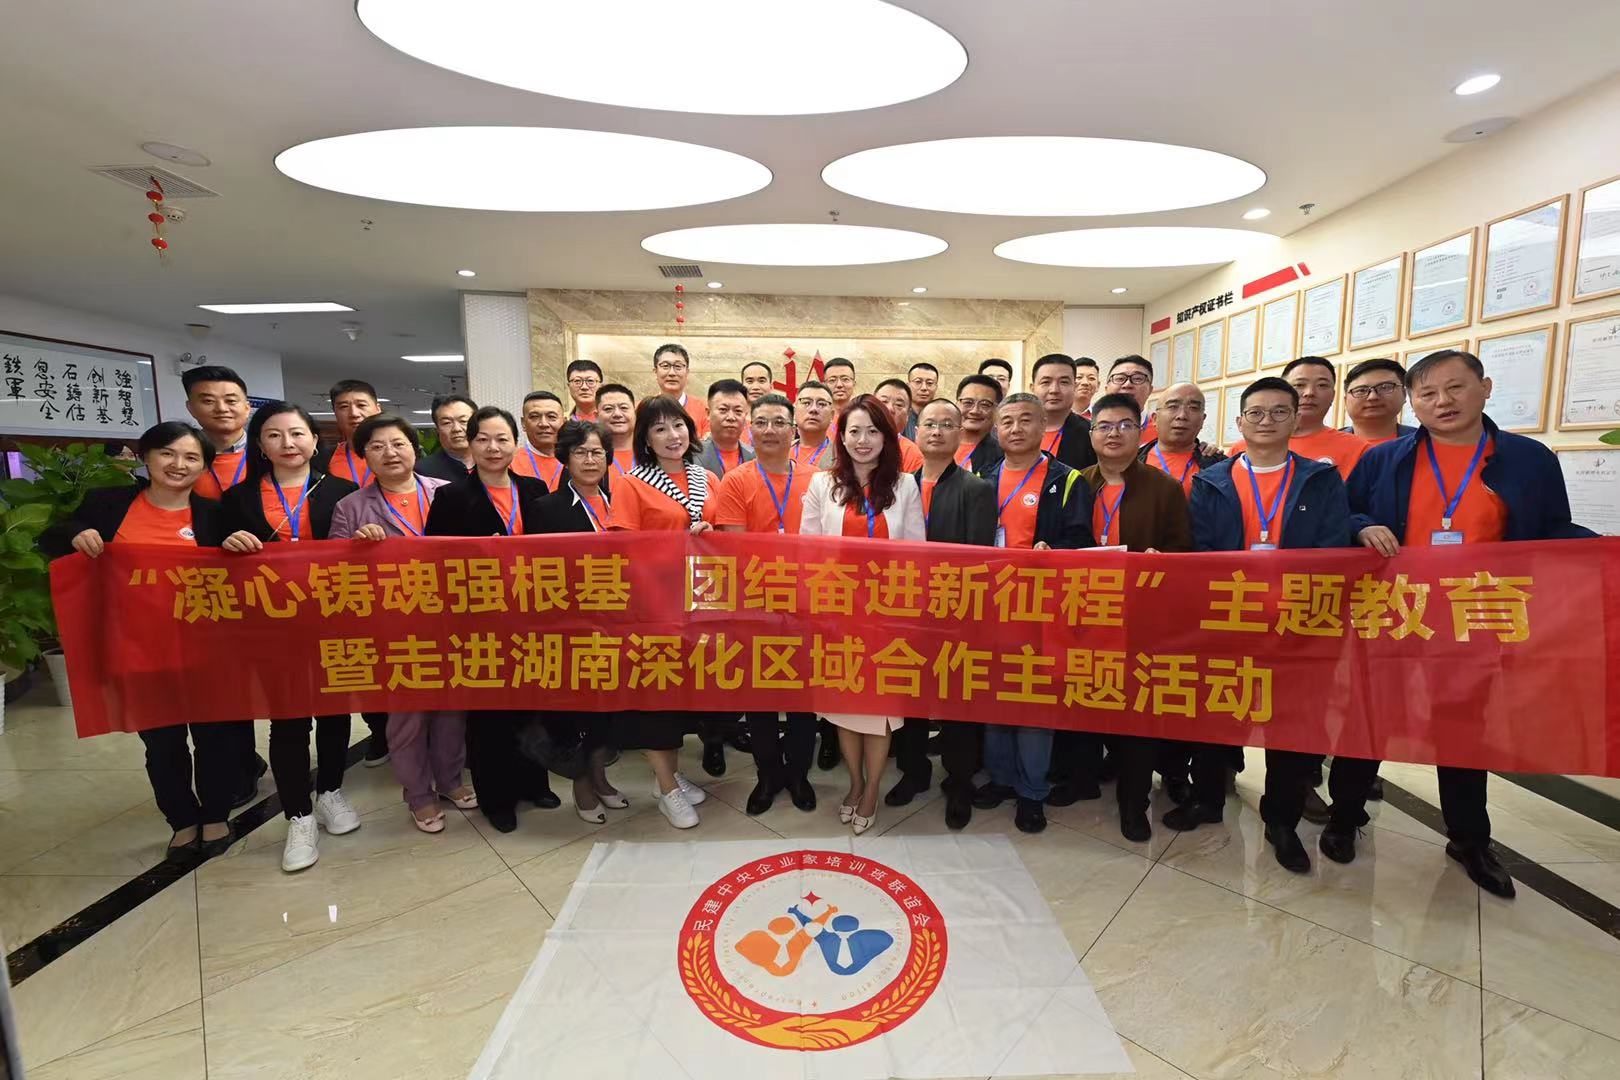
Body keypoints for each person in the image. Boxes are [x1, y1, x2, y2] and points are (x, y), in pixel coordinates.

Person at [1349, 349, 1595, 897]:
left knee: (1462, 731)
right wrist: (1362, 526)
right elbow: (1348, 513)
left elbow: (1552, 529)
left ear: (1484, 388)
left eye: (1455, 388)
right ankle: (1347, 815)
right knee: (1372, 717)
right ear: (1413, 403)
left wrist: (1603, 553)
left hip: (1475, 616)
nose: (1443, 402)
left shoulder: (1528, 459)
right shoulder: (1385, 459)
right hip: (1394, 611)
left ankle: (1469, 839)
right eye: (1428, 393)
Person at [1170, 377, 1368, 876]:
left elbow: (1329, 551)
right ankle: (1207, 798)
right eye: (1255, 413)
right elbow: (1202, 553)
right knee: (1217, 715)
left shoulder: (1321, 479)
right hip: (1228, 620)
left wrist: (1289, 607)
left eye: (1279, 412)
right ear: (1239, 422)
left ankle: (1281, 820)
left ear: (1295, 418)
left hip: (1298, 623)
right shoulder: (1211, 481)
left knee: (1293, 725)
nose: (1266, 421)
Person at [46, 422, 246, 857]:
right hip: (136, 647)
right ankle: (182, 820)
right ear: (145, 457)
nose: (179, 465)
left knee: (215, 738)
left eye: (191, 458)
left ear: (204, 467)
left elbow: (246, 570)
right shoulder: (108, 504)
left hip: (206, 649)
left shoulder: (215, 514)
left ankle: (215, 815)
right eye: (167, 454)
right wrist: (75, 534)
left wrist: (239, 544)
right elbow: (53, 535)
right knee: (161, 743)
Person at [218, 402, 361, 872]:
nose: (288, 443)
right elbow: (211, 561)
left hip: (334, 618)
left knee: (336, 711)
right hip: (271, 625)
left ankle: (331, 792)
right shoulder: (238, 498)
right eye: (275, 435)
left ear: (314, 441)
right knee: (288, 719)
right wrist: (227, 545)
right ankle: (298, 815)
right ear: (260, 444)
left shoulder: (342, 491)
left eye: (297, 433)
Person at [1052, 393, 1193, 842]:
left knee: (1137, 713)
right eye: (1104, 426)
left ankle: (1134, 803)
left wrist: (1161, 560)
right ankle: (1081, 779)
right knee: (1081, 699)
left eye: (1124, 425)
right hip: (1083, 612)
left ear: (1140, 430)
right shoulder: (1075, 482)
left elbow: (1184, 552)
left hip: (1139, 618)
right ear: (1091, 433)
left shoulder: (1163, 488)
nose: (1114, 434)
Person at [329, 415, 476, 833]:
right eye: (377, 447)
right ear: (364, 456)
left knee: (452, 709)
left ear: (415, 448)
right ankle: (418, 795)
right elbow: (334, 573)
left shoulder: (446, 492)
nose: (390, 453)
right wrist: (357, 549)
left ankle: (450, 780)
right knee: (407, 716)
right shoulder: (351, 507)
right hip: (394, 625)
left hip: (450, 620)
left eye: (398, 443)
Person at [423, 406, 557, 833]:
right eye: (483, 439)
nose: (493, 448)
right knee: (489, 714)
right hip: (479, 619)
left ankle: (534, 783)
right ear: (471, 443)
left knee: (532, 704)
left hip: (533, 615)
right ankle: (497, 798)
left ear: (515, 443)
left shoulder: (534, 489)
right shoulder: (451, 497)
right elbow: (435, 560)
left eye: (502, 439)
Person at [799, 395, 926, 835]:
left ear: (887, 437)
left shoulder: (905, 485)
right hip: (837, 614)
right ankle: (854, 782)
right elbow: (808, 551)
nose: (863, 440)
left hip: (886, 615)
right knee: (842, 707)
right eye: (854, 431)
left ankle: (872, 788)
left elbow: (916, 554)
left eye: (873, 431)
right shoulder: (822, 484)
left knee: (879, 710)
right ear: (842, 437)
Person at [970, 393, 1095, 834]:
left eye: (1027, 420)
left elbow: (1083, 542)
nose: (1016, 429)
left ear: (1044, 427)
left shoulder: (1068, 479)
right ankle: (1002, 778)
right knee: (994, 698)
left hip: (1043, 610)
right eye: (1007, 421)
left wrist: (1054, 550)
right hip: (990, 607)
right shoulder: (981, 477)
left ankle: (1032, 791)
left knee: (1034, 704)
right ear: (996, 430)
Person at [607, 395, 720, 829]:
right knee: (656, 696)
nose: (673, 436)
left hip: (702, 604)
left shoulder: (706, 477)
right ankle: (668, 790)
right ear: (645, 439)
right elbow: (625, 550)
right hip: (654, 605)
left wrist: (709, 534)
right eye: (660, 429)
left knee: (683, 697)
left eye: (678, 425)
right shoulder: (632, 483)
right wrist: (676, 544)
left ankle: (667, 777)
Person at [885, 398, 995, 829]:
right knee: (909, 699)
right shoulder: (898, 486)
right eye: (929, 423)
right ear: (916, 432)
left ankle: (959, 781)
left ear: (959, 433)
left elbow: (978, 561)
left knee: (957, 705)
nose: (936, 431)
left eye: (947, 424)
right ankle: (913, 772)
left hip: (955, 614)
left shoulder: (975, 489)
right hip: (903, 614)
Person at [712, 393, 820, 816]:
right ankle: (768, 775)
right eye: (761, 422)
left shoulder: (819, 479)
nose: (770, 430)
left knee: (803, 699)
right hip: (754, 605)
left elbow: (827, 546)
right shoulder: (736, 480)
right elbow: (737, 551)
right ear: (749, 430)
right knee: (759, 700)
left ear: (794, 431)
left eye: (779, 422)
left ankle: (799, 774)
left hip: (808, 606)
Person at [529, 419, 629, 825]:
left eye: (597, 453)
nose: (590, 460)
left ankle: (600, 777)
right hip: (571, 626)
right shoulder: (546, 508)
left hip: (620, 622)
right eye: (580, 453)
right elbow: (539, 573)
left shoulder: (621, 501)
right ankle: (582, 784)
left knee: (609, 711)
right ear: (565, 458)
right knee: (579, 712)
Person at [1227, 356, 1370, 480]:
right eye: (1299, 385)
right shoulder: (1241, 450)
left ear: (1333, 395)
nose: (1309, 393)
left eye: (1322, 385)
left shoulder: (1359, 450)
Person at [1138, 382, 1226, 497]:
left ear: (1202, 420)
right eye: (1173, 407)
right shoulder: (1131, 462)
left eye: (1193, 408)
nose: (1182, 415)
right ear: (1155, 419)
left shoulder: (1219, 466)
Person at [182, 365, 252, 500]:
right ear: (190, 408)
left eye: (231, 401)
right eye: (208, 401)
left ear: (247, 408)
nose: (221, 408)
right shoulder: (178, 456)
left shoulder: (268, 452)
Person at [1030, 353, 1098, 471]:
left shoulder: (1092, 434)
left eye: (1064, 382)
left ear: (1074, 387)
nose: (1054, 390)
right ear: (1032, 388)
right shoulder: (1015, 429)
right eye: (1046, 382)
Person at [1342, 357, 1417, 445]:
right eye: (1361, 390)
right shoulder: (1329, 443)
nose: (1372, 397)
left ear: (1404, 394)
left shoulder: (1426, 442)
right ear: (1346, 400)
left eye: (1385, 387)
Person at [695, 378, 755, 477]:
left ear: (745, 415)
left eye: (738, 411)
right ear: (708, 413)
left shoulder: (755, 458)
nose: (731, 417)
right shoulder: (691, 456)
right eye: (723, 410)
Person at [511, 390, 567, 489]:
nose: (543, 424)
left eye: (551, 417)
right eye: (534, 417)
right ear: (523, 423)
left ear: (564, 422)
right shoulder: (509, 463)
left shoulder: (577, 460)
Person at [417, 393, 477, 481]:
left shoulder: (495, 463)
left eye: (463, 421)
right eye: (447, 423)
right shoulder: (422, 472)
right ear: (437, 429)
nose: (456, 429)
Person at [654, 343, 708, 438]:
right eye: (665, 366)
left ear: (687, 373)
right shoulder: (641, 409)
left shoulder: (704, 409)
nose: (672, 373)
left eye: (678, 366)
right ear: (655, 372)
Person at [954, 373, 1005, 474]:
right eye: (968, 402)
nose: (975, 411)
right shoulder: (937, 443)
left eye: (985, 404)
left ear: (997, 410)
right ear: (956, 404)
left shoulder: (1003, 456)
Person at [873, 378, 927, 472]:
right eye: (883, 402)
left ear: (908, 414)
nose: (889, 408)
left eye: (898, 404)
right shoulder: (856, 443)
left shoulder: (913, 454)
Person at [1105, 355, 1159, 444]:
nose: (1127, 384)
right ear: (1106, 388)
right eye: (1120, 378)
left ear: (1150, 390)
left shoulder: (1162, 432)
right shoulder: (1088, 429)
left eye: (1137, 378)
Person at [792, 380, 837, 469]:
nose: (813, 409)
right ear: (794, 411)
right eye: (806, 403)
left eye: (821, 404)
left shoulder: (842, 456)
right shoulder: (779, 452)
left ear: (832, 415)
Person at [596, 383, 638, 476]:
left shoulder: (652, 453)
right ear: (596, 415)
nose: (617, 414)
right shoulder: (589, 457)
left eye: (624, 408)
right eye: (608, 409)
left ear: (635, 413)